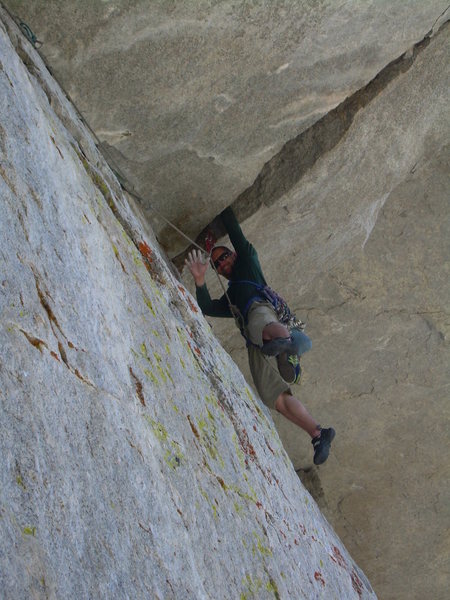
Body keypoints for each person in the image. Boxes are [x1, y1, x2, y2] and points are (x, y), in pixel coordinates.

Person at [185, 206, 335, 465]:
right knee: (274, 397)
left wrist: (223, 209)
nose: (223, 263)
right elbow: (208, 307)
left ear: (234, 254)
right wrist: (200, 279)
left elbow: (235, 231)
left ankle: (286, 342)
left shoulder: (249, 264)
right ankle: (318, 433)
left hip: (262, 313)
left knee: (262, 324)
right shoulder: (230, 299)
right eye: (218, 264)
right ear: (218, 272)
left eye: (225, 256)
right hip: (256, 343)